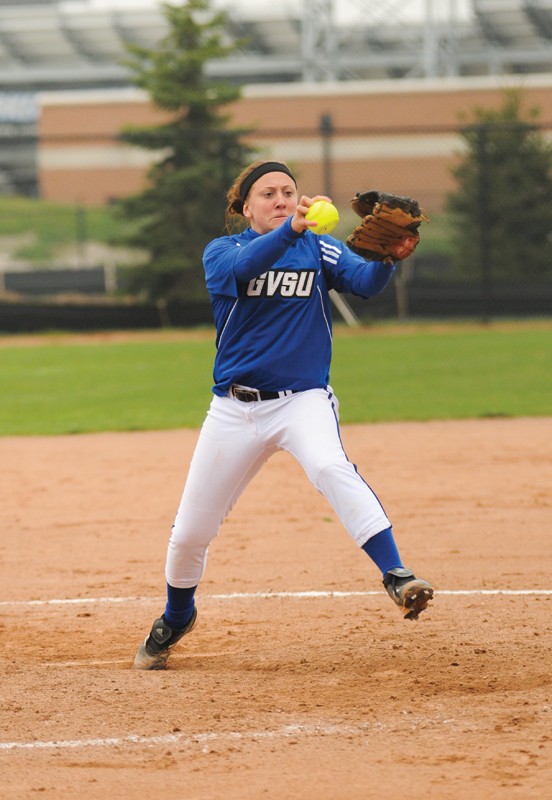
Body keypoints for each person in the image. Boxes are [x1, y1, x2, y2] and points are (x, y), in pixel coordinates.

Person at [132, 160, 433, 670]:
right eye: (267, 193)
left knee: (329, 466)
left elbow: (363, 282)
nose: (280, 199)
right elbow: (244, 270)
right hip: (233, 409)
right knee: (189, 533)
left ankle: (397, 575)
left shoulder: (318, 246)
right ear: (245, 207)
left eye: (288, 192)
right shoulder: (222, 251)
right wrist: (294, 229)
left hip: (302, 400)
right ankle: (177, 616)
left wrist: (386, 258)